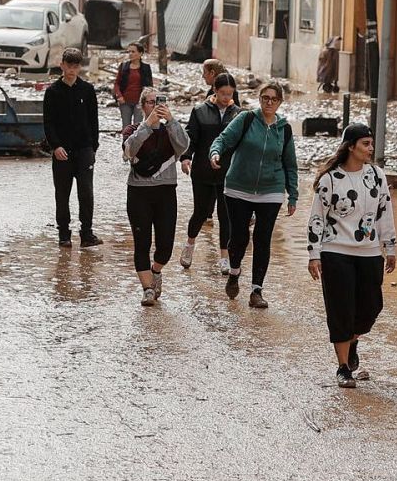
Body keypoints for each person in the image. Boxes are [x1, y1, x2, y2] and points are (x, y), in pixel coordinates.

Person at [306, 123, 397, 389]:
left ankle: (352, 339)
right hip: (336, 252)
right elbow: (317, 218)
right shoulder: (330, 179)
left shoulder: (377, 175)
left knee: (372, 306)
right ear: (350, 147)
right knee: (340, 309)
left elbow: (385, 212)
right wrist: (314, 254)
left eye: (371, 143)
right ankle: (343, 366)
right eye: (365, 144)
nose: (370, 149)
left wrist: (390, 247)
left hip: (370, 252)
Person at [208, 81, 297, 308]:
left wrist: (293, 195)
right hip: (238, 187)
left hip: (271, 190)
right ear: (259, 99)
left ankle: (256, 290)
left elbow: (290, 164)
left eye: (274, 99)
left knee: (262, 239)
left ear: (280, 102)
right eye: (265, 98)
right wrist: (215, 153)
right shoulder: (246, 119)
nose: (269, 102)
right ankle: (234, 272)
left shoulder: (284, 129)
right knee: (239, 237)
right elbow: (223, 139)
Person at [124, 89, 190, 305]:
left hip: (165, 191)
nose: (155, 106)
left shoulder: (170, 130)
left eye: (159, 102)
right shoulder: (132, 129)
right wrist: (147, 125)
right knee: (141, 243)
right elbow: (128, 151)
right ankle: (147, 290)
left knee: (165, 246)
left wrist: (171, 120)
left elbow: (184, 145)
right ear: (142, 106)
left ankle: (156, 270)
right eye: (151, 102)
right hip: (139, 191)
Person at [180, 72, 241, 270]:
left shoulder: (238, 114)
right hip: (203, 171)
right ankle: (190, 244)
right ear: (214, 90)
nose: (226, 97)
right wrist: (186, 157)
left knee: (226, 215)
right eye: (223, 93)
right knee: (200, 212)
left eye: (230, 94)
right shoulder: (200, 111)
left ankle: (224, 256)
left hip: (228, 173)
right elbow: (191, 137)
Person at [43, 47, 100, 248]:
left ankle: (87, 234)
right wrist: (55, 146)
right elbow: (48, 122)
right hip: (62, 151)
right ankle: (64, 234)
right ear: (62, 66)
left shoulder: (87, 90)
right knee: (62, 194)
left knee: (86, 193)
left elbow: (93, 120)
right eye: (69, 66)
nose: (72, 70)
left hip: (84, 150)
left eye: (75, 67)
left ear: (79, 67)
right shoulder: (52, 92)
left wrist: (93, 147)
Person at [113, 43, 154, 131]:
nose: (130, 54)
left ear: (140, 53)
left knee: (137, 127)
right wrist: (119, 96)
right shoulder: (123, 66)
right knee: (126, 127)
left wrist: (148, 101)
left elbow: (149, 86)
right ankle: (125, 140)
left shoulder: (146, 68)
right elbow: (117, 83)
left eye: (133, 52)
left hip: (139, 102)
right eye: (129, 52)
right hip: (125, 101)